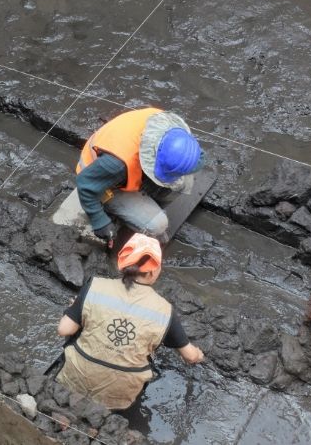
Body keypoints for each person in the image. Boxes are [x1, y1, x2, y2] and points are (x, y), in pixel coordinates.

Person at [56, 234, 204, 410]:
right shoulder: (164, 311)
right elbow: (190, 356)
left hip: (74, 381)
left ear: (123, 265)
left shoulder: (95, 287)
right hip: (118, 398)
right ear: (152, 271)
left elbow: (64, 329)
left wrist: (77, 309)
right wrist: (199, 355)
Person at [75, 108, 203, 245]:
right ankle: (113, 210)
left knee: (184, 180)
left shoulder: (174, 130)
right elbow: (84, 183)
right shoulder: (117, 164)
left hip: (124, 165)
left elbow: (197, 159)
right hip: (103, 181)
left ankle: (149, 204)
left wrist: (150, 179)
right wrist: (98, 220)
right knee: (158, 225)